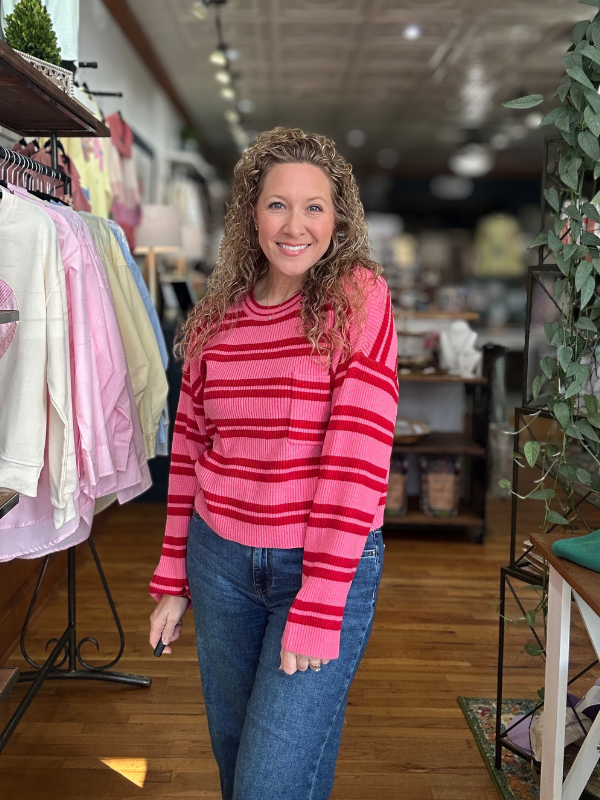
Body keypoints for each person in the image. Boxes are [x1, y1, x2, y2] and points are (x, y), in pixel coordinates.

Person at [149, 127, 399, 800]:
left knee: (269, 783)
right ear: (250, 213)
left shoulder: (357, 297)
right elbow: (189, 457)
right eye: (277, 204)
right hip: (220, 562)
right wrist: (173, 576)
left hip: (319, 568)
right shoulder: (215, 320)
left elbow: (358, 455)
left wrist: (319, 601)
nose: (295, 225)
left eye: (314, 206)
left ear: (338, 218)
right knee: (240, 771)